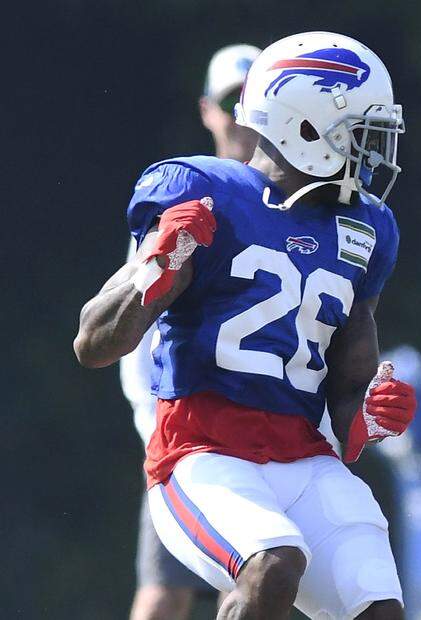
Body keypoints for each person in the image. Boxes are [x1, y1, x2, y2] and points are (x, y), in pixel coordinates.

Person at [75, 31, 415, 620]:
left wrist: (371, 416)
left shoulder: (367, 228)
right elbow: (94, 343)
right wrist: (160, 263)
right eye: (359, 131)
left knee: (378, 606)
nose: (372, 150)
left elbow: (347, 388)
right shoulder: (206, 193)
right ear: (304, 125)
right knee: (273, 566)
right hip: (202, 448)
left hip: (303, 455)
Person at [120, 42, 261, 620]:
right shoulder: (184, 194)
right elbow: (134, 316)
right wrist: (150, 421)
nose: (238, 113)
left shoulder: (297, 206)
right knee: (162, 595)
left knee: (254, 587)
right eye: (229, 100)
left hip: (265, 428)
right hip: (188, 431)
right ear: (208, 109)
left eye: (251, 99)